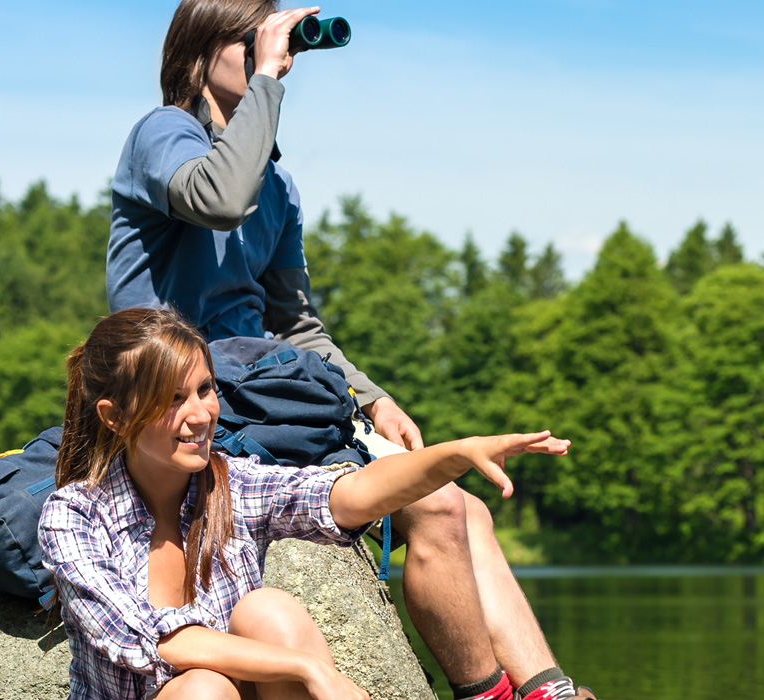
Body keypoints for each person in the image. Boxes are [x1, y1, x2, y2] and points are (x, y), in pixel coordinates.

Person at [104, 2, 588, 699]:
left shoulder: (276, 186)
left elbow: (296, 324)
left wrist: (373, 396)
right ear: (201, 48)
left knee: (458, 507)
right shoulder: (163, 135)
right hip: (185, 400)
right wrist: (267, 80)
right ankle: (491, 695)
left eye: (280, 46)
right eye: (254, 43)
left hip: (262, 394)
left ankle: (549, 691)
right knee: (438, 505)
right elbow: (216, 198)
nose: (278, 57)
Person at [41, 307, 568, 699]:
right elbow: (160, 645)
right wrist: (311, 669)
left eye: (205, 390)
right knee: (205, 691)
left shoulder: (230, 485)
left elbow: (347, 495)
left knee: (268, 609)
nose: (201, 415)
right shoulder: (74, 516)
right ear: (113, 416)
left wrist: (457, 454)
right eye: (173, 399)